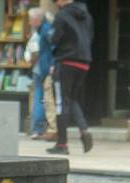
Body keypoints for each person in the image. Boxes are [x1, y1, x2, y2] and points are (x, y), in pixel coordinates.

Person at [48, 0, 93, 155]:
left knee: (61, 102)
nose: (55, 4)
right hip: (84, 62)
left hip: (66, 61)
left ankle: (62, 145)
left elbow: (54, 39)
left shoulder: (61, 15)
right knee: (72, 99)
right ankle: (83, 129)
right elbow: (90, 37)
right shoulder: (86, 15)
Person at [27, 7, 56, 140]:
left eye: (30, 20)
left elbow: (51, 48)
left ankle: (41, 128)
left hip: (42, 69)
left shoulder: (43, 30)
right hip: (43, 69)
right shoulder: (43, 30)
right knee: (44, 98)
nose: (29, 23)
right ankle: (45, 128)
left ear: (37, 20)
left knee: (42, 98)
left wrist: (52, 64)